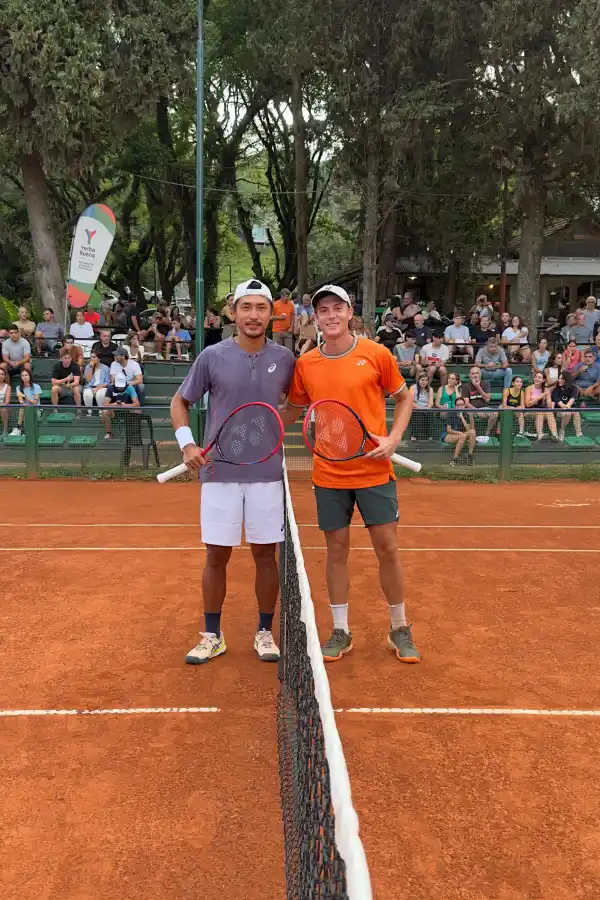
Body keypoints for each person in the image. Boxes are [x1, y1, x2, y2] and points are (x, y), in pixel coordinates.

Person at [281, 284, 419, 665]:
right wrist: (259, 421)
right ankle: (340, 631)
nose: (331, 315)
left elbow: (404, 397)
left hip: (374, 471)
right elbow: (292, 409)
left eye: (337, 308)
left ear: (349, 312)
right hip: (329, 474)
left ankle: (399, 628)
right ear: (315, 317)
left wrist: (394, 437)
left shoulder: (376, 354)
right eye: (323, 310)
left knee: (387, 549)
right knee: (336, 551)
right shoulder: (306, 364)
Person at [170, 279, 295, 666]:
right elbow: (180, 401)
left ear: (271, 313)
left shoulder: (286, 359)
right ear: (233, 312)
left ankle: (264, 632)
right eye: (246, 307)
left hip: (266, 474)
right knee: (216, 555)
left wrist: (267, 426)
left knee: (266, 555)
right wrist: (188, 444)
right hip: (219, 473)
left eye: (261, 308)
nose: (253, 315)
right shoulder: (211, 356)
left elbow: (294, 404)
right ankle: (213, 635)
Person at [462, 365, 498, 436]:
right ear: (470, 376)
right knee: (470, 413)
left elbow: (487, 399)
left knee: (495, 413)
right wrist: (476, 410)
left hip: (484, 409)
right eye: (473, 374)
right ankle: (473, 434)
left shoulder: (486, 383)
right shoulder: (466, 386)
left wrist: (478, 386)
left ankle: (487, 432)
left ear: (480, 374)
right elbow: (466, 403)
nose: (475, 375)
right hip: (471, 409)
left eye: (477, 373)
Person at [442, 397, 476, 466]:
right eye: (458, 405)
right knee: (462, 436)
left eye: (462, 405)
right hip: (448, 435)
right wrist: (460, 433)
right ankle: (454, 459)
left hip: (462, 435)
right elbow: (448, 430)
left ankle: (469, 455)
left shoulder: (466, 414)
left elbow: (469, 430)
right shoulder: (451, 413)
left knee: (472, 432)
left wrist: (462, 418)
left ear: (464, 405)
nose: (460, 406)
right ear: (455, 406)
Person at [524, 369, 557, 440]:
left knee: (549, 412)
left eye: (539, 378)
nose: (536, 379)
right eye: (535, 377)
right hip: (530, 411)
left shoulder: (546, 390)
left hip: (542, 410)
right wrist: (539, 397)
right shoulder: (528, 388)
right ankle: (540, 435)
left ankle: (555, 435)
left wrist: (549, 400)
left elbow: (549, 406)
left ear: (543, 380)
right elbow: (527, 404)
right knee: (540, 412)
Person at [550, 372, 583, 440]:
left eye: (562, 379)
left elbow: (572, 400)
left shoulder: (574, 388)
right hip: (558, 410)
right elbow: (559, 403)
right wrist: (567, 408)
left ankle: (579, 433)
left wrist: (568, 407)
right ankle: (562, 431)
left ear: (567, 380)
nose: (559, 380)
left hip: (569, 409)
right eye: (559, 379)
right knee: (567, 412)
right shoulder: (555, 390)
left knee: (576, 413)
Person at [14, 369, 41, 435]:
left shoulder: (36, 387)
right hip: (25, 409)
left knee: (24, 409)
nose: (24, 377)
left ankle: (19, 428)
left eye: (26, 375)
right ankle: (20, 430)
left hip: (36, 409)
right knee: (23, 408)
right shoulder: (18, 388)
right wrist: (22, 400)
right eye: (22, 375)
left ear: (30, 376)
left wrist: (25, 396)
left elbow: (34, 402)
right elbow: (21, 401)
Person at [408, 372, 433, 440]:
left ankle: (429, 437)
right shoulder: (413, 387)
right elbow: (411, 403)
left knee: (430, 413)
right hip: (415, 409)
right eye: (422, 380)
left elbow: (431, 402)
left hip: (425, 409)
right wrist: (421, 408)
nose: (424, 382)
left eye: (426, 380)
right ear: (418, 380)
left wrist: (427, 408)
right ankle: (414, 437)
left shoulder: (430, 389)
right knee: (418, 414)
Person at [0, 367, 11, 434]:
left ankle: (5, 431)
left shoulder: (8, 387)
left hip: (2, 406)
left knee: (4, 409)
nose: (1, 376)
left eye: (2, 374)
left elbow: (7, 401)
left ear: (4, 376)